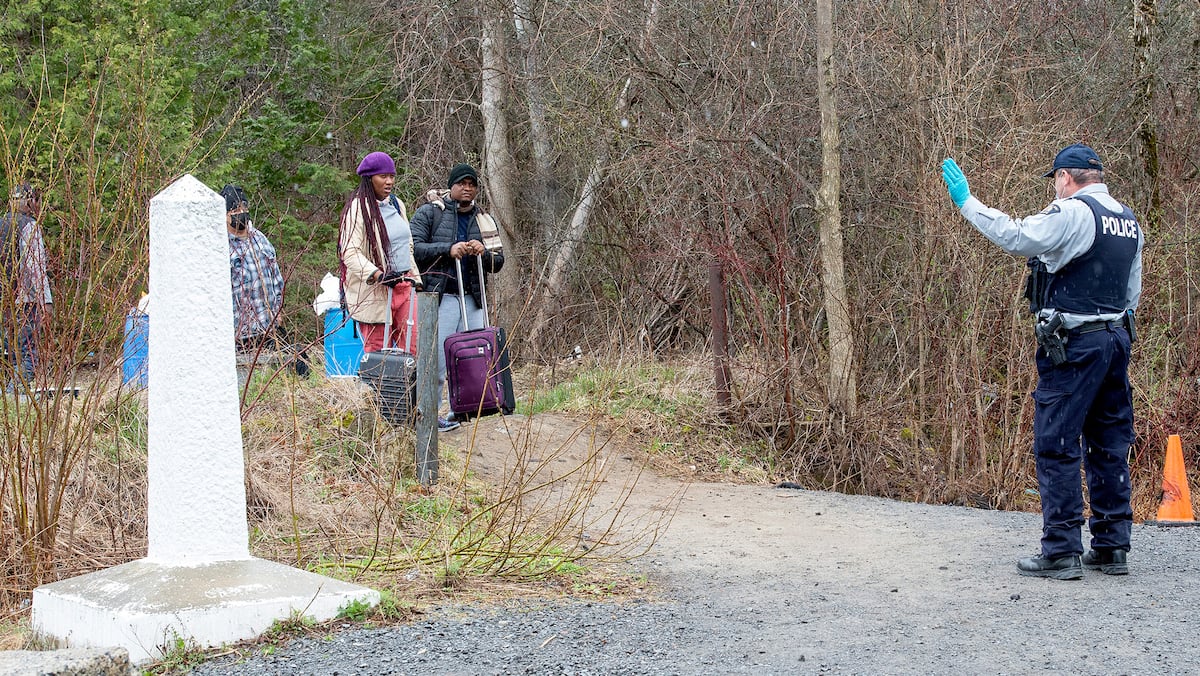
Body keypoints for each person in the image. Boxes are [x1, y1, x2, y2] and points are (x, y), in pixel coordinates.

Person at [941, 144, 1142, 580]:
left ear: (1066, 177)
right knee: (1109, 443)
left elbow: (1016, 236)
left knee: (1057, 442)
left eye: (1055, 179)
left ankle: (1062, 550)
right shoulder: (1127, 220)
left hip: (1074, 345)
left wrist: (968, 203)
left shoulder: (1071, 213)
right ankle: (1112, 547)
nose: (1055, 187)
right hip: (1116, 340)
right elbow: (1132, 293)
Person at [337, 152, 440, 425]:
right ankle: (381, 418)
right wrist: (377, 274)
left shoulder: (397, 204)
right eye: (383, 176)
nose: (389, 181)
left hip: (404, 286)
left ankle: (416, 415)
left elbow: (406, 245)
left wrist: (414, 277)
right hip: (375, 291)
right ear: (369, 179)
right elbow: (350, 252)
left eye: (392, 176)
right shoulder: (358, 209)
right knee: (378, 356)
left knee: (414, 350)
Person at [410, 163, 505, 425]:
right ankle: (428, 417)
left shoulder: (483, 219)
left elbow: (498, 262)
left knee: (473, 358)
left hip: (472, 299)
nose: (467, 188)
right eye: (462, 183)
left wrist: (483, 252)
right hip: (440, 297)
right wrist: (448, 249)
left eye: (472, 184)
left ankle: (467, 410)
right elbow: (414, 249)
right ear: (451, 186)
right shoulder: (431, 212)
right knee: (436, 361)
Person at [221, 184, 285, 352]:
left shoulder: (260, 239)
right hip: (239, 336)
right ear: (224, 215)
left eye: (244, 207)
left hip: (270, 330)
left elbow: (277, 279)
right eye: (235, 210)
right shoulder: (221, 247)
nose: (241, 212)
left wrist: (278, 312)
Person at [2, 182, 51, 393]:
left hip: (4, 302)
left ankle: (9, 398)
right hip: (25, 300)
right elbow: (35, 267)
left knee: (9, 353)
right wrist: (45, 301)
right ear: (31, 201)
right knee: (28, 353)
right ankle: (17, 396)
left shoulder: (1, 224)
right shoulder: (29, 226)